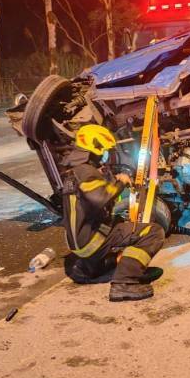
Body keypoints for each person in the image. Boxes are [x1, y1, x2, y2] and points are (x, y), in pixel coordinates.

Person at [63, 124, 165, 302]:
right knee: (153, 232)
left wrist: (110, 180)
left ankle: (89, 268)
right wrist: (121, 182)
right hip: (91, 241)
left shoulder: (75, 172)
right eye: (105, 151)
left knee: (118, 221)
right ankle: (124, 282)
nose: (106, 156)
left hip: (78, 242)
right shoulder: (86, 171)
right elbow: (100, 198)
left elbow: (90, 200)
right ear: (95, 149)